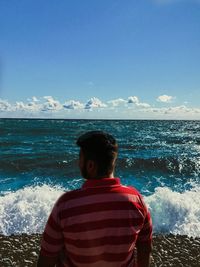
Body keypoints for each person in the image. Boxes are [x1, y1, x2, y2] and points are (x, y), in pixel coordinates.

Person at [37, 131, 152, 267]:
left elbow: (47, 256)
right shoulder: (135, 199)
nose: (78, 163)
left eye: (80, 158)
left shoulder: (66, 204)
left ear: (90, 165)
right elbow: (145, 247)